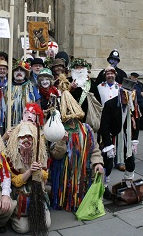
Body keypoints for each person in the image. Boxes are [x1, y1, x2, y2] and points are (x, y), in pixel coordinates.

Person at [49, 77, 104, 211]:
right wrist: (62, 141)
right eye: (67, 112)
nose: (71, 116)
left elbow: (95, 150)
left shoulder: (86, 129)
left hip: (82, 175)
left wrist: (98, 163)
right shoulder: (56, 131)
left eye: (72, 111)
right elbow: (56, 155)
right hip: (64, 177)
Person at [6, 122, 51, 235]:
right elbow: (15, 182)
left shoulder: (40, 153)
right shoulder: (10, 156)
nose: (26, 140)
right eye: (22, 137)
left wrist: (39, 171)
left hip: (37, 195)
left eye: (29, 136)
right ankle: (16, 215)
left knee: (46, 224)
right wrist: (30, 171)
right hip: (21, 196)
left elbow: (45, 177)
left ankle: (42, 210)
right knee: (22, 229)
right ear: (17, 139)